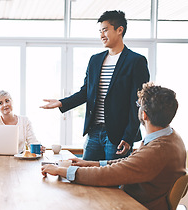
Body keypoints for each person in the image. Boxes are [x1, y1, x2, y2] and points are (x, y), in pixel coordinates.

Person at [41, 82, 186, 210]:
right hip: (137, 205)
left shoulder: (158, 150)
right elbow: (130, 163)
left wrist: (62, 171)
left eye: (138, 105)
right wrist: (89, 163)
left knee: (74, 207)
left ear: (144, 115)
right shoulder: (170, 137)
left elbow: (107, 175)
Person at [41, 10, 149, 160]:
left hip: (118, 135)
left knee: (113, 180)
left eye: (105, 30)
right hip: (93, 133)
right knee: (85, 175)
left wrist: (129, 136)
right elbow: (86, 92)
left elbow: (137, 102)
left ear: (119, 30)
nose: (101, 35)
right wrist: (61, 102)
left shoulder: (136, 61)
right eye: (100, 31)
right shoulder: (95, 60)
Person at [0, 90, 45, 154]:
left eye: (7, 101)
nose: (5, 105)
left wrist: (39, 148)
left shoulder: (25, 121)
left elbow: (33, 142)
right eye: (0, 103)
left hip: (20, 160)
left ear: (12, 101)